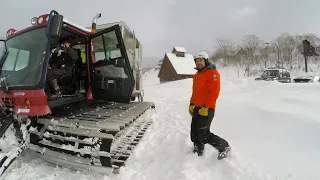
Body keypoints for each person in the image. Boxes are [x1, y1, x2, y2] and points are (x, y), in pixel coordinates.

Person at [188, 51, 231, 159]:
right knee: (194, 132)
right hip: (197, 108)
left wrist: (206, 106)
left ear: (206, 61)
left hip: (207, 108)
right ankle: (198, 147)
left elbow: (214, 92)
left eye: (201, 60)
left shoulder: (212, 73)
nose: (199, 63)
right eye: (197, 61)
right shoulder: (197, 75)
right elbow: (195, 92)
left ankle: (224, 146)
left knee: (203, 134)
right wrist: (191, 104)